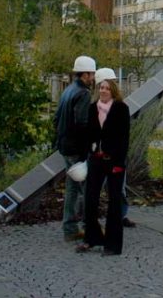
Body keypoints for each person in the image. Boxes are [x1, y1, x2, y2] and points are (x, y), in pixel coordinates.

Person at [76, 68, 130, 256]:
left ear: (113, 90)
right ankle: (92, 237)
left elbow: (124, 138)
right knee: (90, 200)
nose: (104, 91)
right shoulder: (93, 108)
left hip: (113, 161)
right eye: (101, 87)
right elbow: (87, 134)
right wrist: (85, 156)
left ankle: (113, 245)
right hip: (96, 160)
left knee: (114, 203)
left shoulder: (121, 109)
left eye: (107, 88)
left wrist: (119, 162)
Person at [53, 55, 95, 242]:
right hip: (77, 149)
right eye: (92, 74)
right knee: (87, 189)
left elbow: (56, 119)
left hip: (65, 146)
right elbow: (82, 124)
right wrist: (88, 150)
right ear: (85, 74)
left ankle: (70, 229)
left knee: (71, 189)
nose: (93, 78)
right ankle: (90, 227)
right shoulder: (83, 94)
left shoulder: (68, 90)